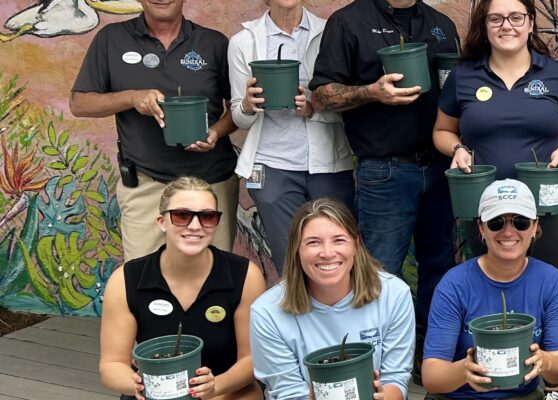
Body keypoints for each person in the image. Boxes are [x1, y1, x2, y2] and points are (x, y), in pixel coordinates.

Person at [309, 0, 460, 326]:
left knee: (440, 265)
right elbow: (321, 96)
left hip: (441, 167)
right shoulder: (349, 22)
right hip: (384, 170)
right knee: (379, 271)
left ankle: (432, 352)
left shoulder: (442, 24)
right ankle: (379, 358)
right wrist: (371, 92)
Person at [70, 0, 238, 261]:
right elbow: (79, 103)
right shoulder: (111, 39)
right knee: (143, 280)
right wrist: (132, 98)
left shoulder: (213, 43)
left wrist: (215, 131)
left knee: (214, 278)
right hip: (145, 186)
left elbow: (238, 110)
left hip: (211, 182)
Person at [433, 0, 558, 270]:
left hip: (546, 205)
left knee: (548, 290)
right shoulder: (463, 76)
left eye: (516, 18)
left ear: (530, 23)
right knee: (492, 291)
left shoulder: (556, 74)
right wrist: (458, 149)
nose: (506, 26)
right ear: (484, 27)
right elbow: (442, 130)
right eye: (496, 19)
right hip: (485, 205)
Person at [99, 177, 266, 400]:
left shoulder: (245, 276)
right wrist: (143, 384)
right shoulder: (127, 279)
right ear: (161, 221)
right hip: (155, 392)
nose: (195, 226)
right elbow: (112, 364)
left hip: (224, 391)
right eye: (181, 216)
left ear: (216, 222)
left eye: (207, 216)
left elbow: (253, 360)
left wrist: (215, 385)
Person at [229, 0, 355, 274]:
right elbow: (239, 116)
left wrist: (313, 109)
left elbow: (348, 102)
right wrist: (248, 106)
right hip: (271, 166)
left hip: (329, 164)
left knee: (334, 259)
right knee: (291, 263)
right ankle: (297, 315)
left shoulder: (331, 32)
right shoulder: (243, 41)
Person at [249, 198, 416, 400]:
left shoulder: (393, 294)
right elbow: (287, 391)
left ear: (356, 244)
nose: (327, 253)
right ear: (296, 250)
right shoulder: (267, 312)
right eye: (313, 242)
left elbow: (395, 379)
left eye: (339, 240)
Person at [421, 180, 558, 400]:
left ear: (535, 227)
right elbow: (432, 375)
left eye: (520, 222)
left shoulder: (550, 281)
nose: (509, 231)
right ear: (481, 229)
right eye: (496, 222)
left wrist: (546, 361)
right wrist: (464, 371)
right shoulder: (454, 284)